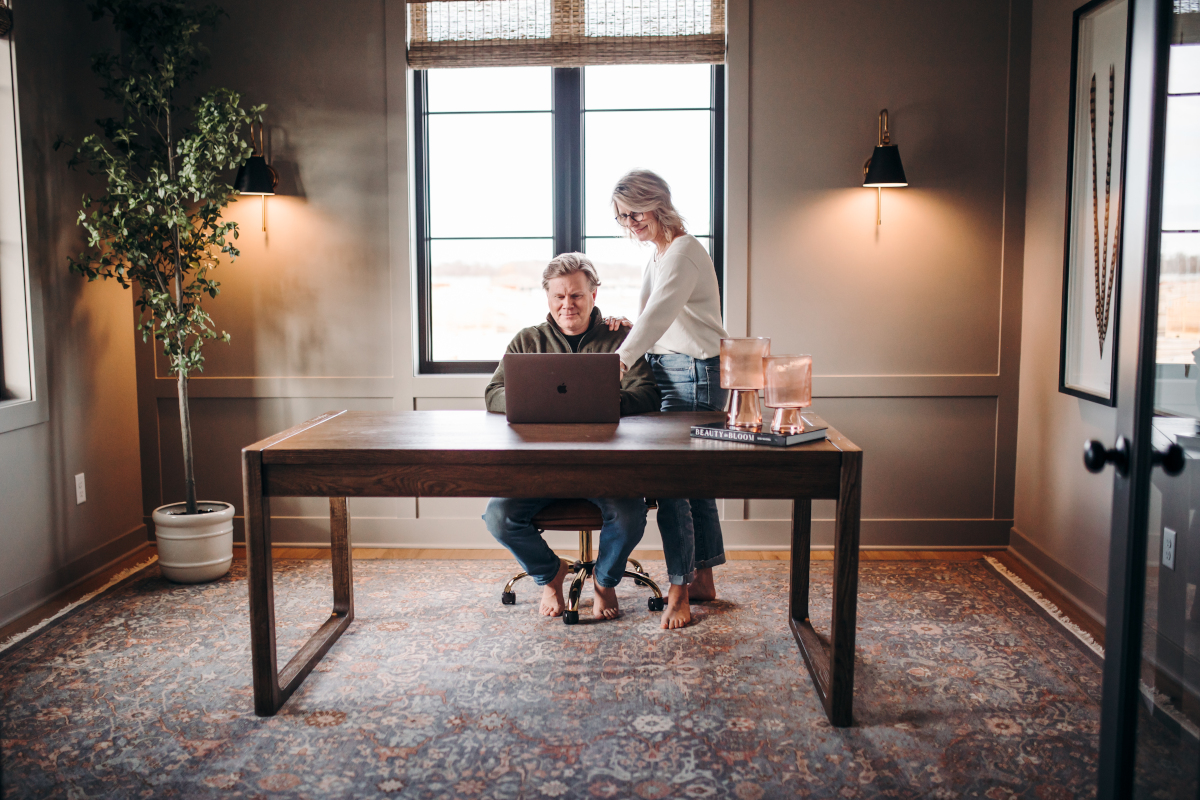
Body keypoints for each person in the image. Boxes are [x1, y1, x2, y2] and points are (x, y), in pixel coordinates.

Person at [483, 252, 660, 620]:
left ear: (594, 294)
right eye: (559, 297)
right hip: (540, 468)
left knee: (630, 517)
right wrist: (541, 402)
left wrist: (596, 402)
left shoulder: (620, 338)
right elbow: (493, 393)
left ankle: (604, 581)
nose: (568, 305)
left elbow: (647, 394)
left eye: (576, 295)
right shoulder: (527, 341)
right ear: (548, 298)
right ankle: (550, 574)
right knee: (499, 517)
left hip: (606, 466)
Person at [606, 169, 730, 630]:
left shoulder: (683, 252)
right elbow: (647, 316)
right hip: (672, 368)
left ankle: (680, 588)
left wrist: (619, 361)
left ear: (657, 201)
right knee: (693, 482)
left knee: (674, 483)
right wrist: (624, 325)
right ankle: (703, 580)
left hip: (695, 372)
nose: (630, 222)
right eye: (622, 217)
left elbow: (659, 315)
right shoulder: (659, 256)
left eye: (634, 211)